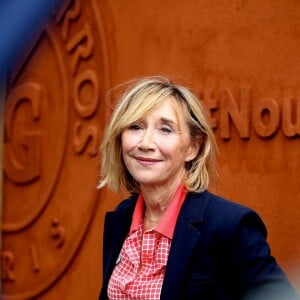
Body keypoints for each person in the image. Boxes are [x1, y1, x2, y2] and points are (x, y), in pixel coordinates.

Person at [98, 76, 299, 300]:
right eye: (135, 126)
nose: (145, 143)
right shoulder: (121, 219)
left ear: (193, 147)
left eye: (165, 129)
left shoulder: (230, 226)